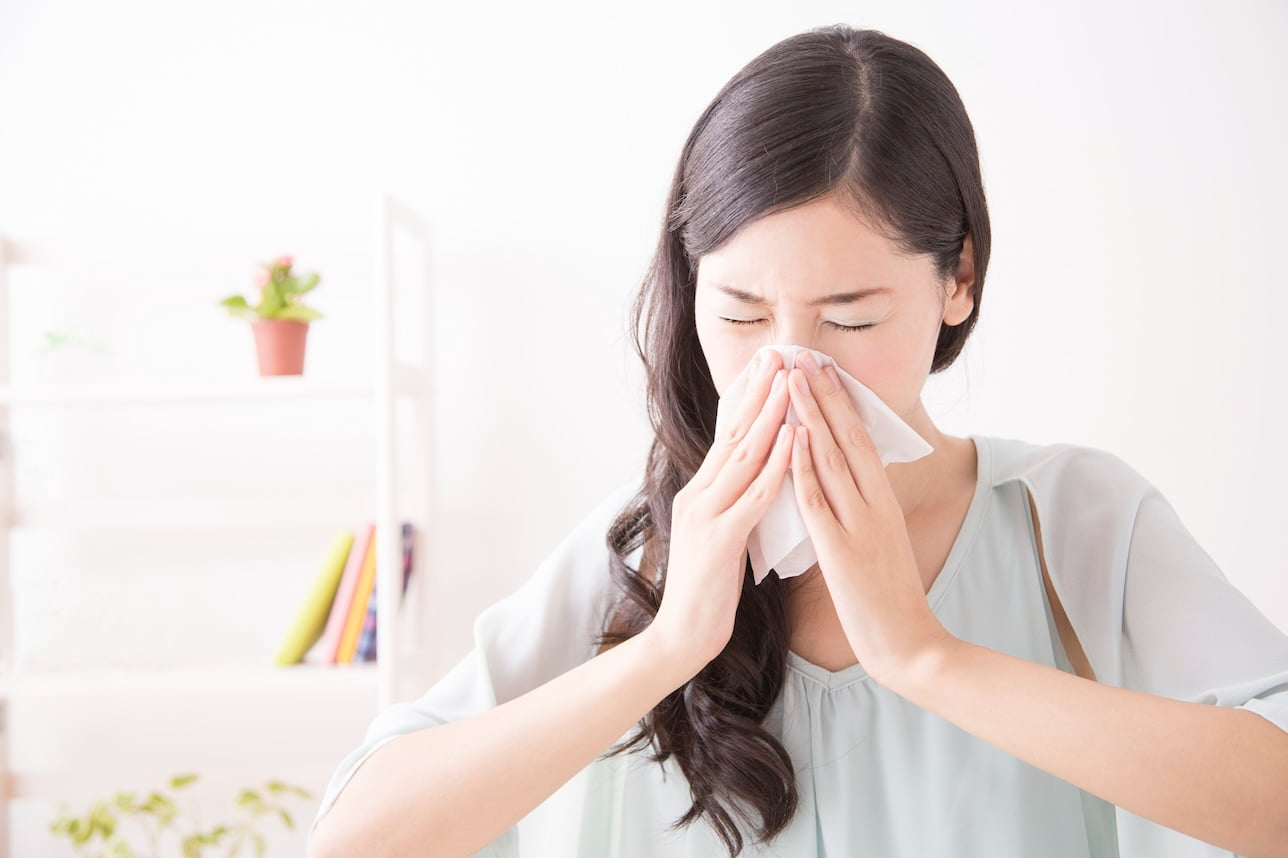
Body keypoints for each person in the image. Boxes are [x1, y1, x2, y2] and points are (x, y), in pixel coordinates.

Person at [305, 24, 1288, 858]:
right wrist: (668, 645)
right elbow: (354, 835)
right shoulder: (644, 548)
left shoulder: (1069, 519)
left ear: (958, 282)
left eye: (850, 320)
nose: (789, 369)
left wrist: (922, 653)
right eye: (738, 314)